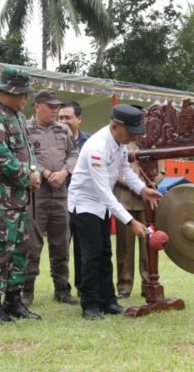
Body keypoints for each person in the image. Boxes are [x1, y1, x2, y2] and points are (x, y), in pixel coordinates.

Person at [67, 104, 162, 320]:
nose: (132, 137)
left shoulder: (120, 143)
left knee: (105, 253)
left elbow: (124, 171)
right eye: (130, 132)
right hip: (84, 204)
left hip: (101, 205)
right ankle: (90, 305)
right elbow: (103, 192)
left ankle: (108, 300)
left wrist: (143, 190)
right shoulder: (97, 148)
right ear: (115, 126)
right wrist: (131, 222)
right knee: (92, 254)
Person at [0, 67, 42, 323]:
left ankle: (14, 301)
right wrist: (28, 176)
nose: (26, 99)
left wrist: (34, 172)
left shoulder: (16, 117)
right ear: (9, 92)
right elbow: (0, 157)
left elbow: (28, 152)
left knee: (21, 248)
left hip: (19, 196)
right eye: (23, 94)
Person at [23, 89, 79, 306]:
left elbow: (74, 154)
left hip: (61, 194)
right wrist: (45, 173)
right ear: (37, 106)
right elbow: (26, 155)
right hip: (38, 194)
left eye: (57, 107)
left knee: (61, 244)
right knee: (32, 245)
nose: (55, 111)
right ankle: (26, 291)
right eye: (50, 106)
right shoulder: (26, 129)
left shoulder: (63, 130)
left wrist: (65, 172)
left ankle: (62, 289)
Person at [113, 142, 165, 299]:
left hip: (147, 203)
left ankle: (149, 283)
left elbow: (162, 171)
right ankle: (124, 286)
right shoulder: (122, 143)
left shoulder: (153, 144)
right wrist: (137, 186)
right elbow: (115, 172)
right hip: (125, 200)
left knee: (149, 245)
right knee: (124, 246)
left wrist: (150, 184)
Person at [58, 101, 90, 292]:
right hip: (60, 199)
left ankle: (82, 285)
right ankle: (62, 288)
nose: (63, 121)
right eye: (60, 117)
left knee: (82, 246)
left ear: (79, 119)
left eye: (68, 118)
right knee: (61, 246)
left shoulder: (89, 141)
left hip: (84, 201)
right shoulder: (53, 139)